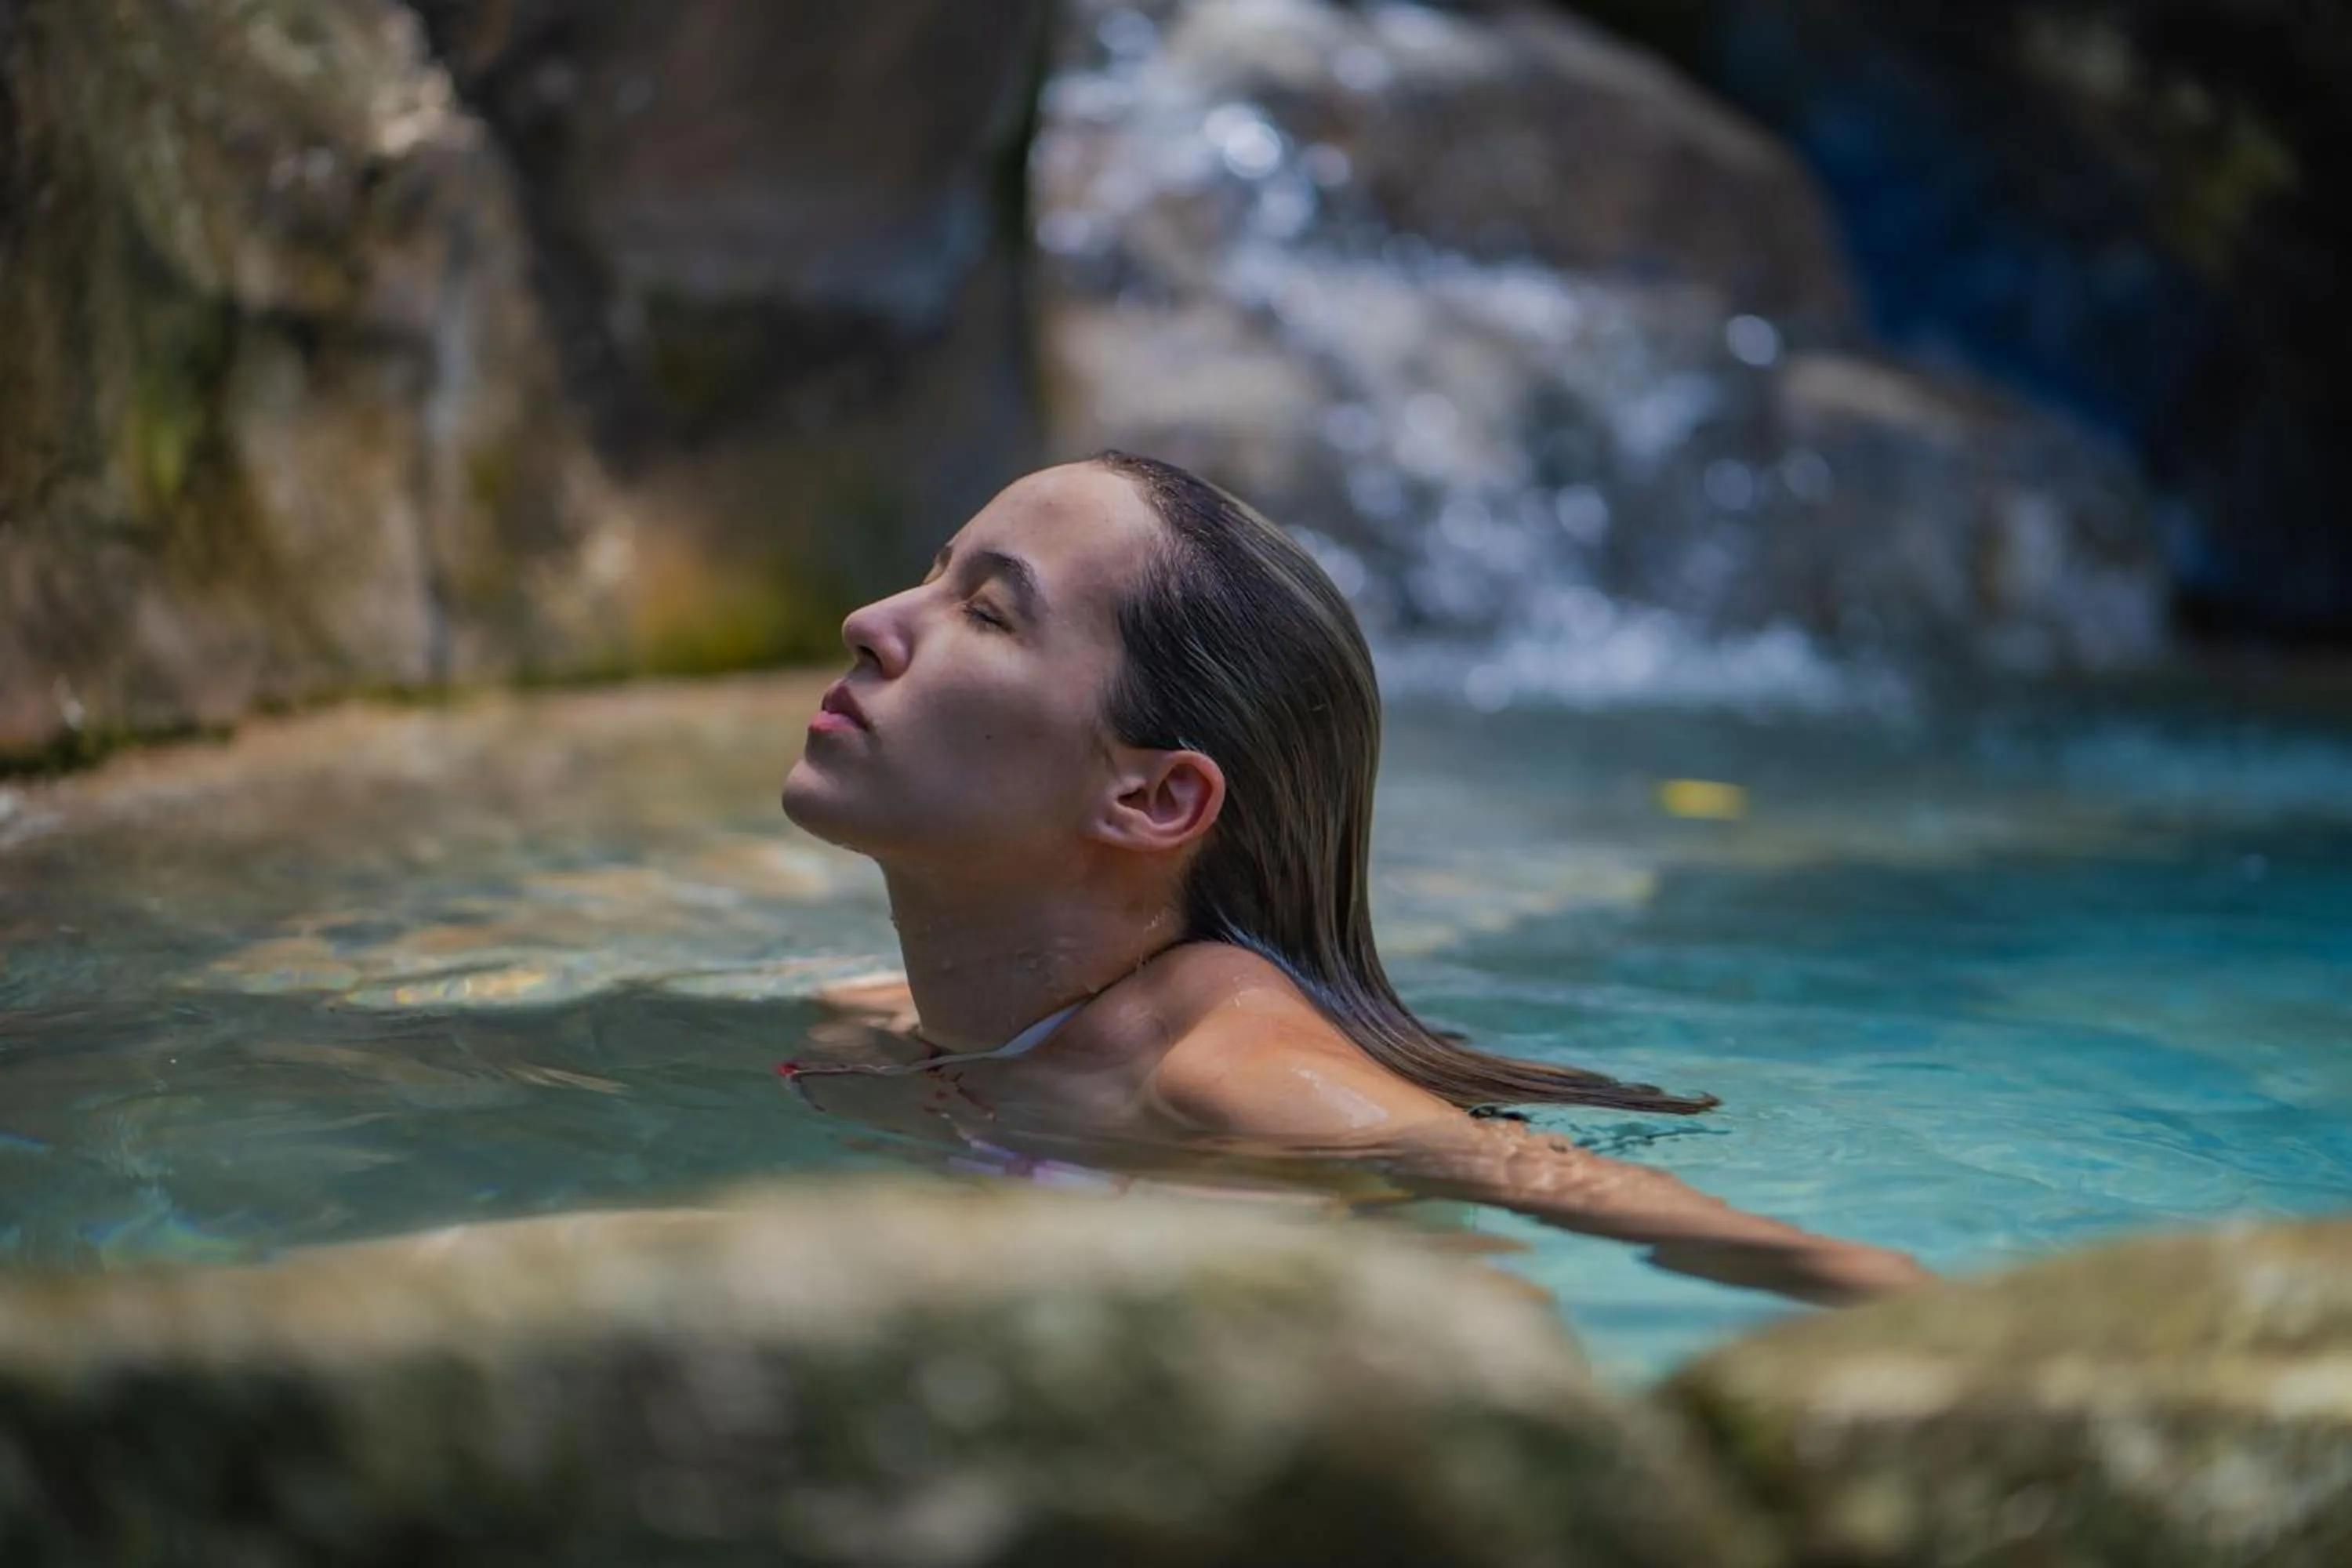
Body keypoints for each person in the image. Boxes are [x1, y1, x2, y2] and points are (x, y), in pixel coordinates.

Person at [778, 452, 1929, 1305]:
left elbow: (1540, 1181)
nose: (870, 621)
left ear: (1153, 800)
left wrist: (1924, 1320)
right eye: (931, 578)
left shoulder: (1227, 1061)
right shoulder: (890, 1022)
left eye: (986, 612)